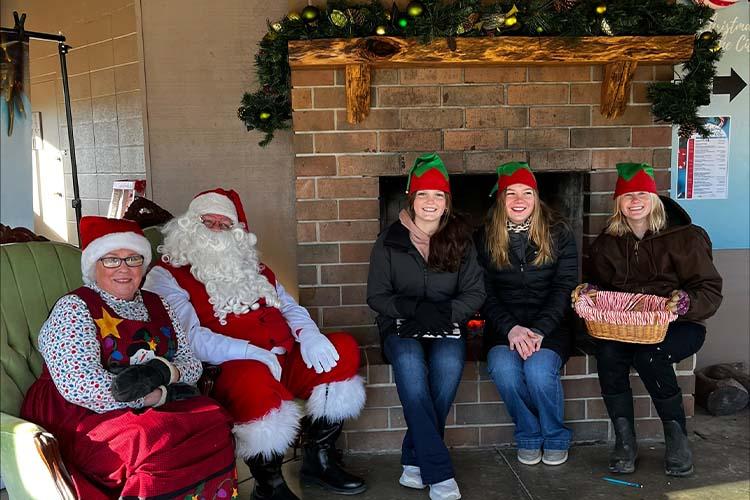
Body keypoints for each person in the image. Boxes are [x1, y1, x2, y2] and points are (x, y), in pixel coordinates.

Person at [143, 188, 366, 500]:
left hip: (285, 358)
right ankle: (269, 485)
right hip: (233, 367)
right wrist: (251, 352)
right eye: (209, 222)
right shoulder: (166, 276)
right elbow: (189, 339)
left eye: (226, 225)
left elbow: (289, 307)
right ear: (189, 226)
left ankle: (319, 459)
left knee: (342, 349)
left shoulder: (255, 269)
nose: (218, 231)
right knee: (252, 381)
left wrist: (310, 335)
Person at [20, 216, 238, 499]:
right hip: (80, 411)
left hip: (145, 403)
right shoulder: (75, 307)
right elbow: (80, 386)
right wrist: (155, 396)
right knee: (152, 437)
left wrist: (165, 372)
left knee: (214, 417)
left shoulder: (158, 304)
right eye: (111, 259)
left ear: (143, 265)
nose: (123, 269)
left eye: (133, 259)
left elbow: (191, 362)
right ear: (93, 265)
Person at [582, 162, 723, 477]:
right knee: (606, 353)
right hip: (625, 326)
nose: (635, 201)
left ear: (654, 198)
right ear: (618, 202)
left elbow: (709, 289)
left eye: (642, 193)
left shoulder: (685, 237)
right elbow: (600, 286)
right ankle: (625, 441)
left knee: (651, 355)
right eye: (627, 195)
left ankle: (676, 439)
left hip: (680, 325)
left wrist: (685, 304)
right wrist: (590, 294)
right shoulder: (608, 242)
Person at [367, 153, 485, 500]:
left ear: (447, 202)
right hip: (400, 325)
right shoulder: (389, 241)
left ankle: (413, 459)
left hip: (446, 324)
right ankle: (439, 470)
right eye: (423, 194)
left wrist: (448, 312)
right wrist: (412, 308)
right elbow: (376, 295)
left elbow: (476, 290)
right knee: (409, 366)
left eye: (438, 195)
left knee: (448, 366)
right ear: (411, 199)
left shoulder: (461, 238)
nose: (430, 202)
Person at [475, 162, 577, 467]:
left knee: (538, 370)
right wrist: (511, 329)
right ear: (500, 199)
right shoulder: (482, 237)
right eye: (511, 193)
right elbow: (483, 292)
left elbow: (564, 286)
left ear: (536, 198)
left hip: (552, 326)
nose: (519, 200)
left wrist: (539, 330)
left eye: (527, 193)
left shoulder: (559, 233)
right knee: (504, 369)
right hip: (503, 328)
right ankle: (529, 434)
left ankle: (555, 435)